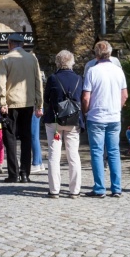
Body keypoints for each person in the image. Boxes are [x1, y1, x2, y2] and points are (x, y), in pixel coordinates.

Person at [82, 40, 128, 198]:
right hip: (114, 116)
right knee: (114, 152)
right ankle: (117, 188)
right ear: (110, 53)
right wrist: (118, 108)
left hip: (96, 116)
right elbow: (125, 95)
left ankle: (99, 188)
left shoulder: (92, 71)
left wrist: (85, 112)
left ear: (96, 54)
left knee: (97, 152)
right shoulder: (118, 71)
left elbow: (86, 97)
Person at [0, 33, 44, 183]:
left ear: (10, 43)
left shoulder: (5, 59)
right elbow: (38, 82)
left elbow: (1, 83)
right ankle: (25, 173)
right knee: (26, 137)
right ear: (22, 44)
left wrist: (2, 102)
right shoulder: (32, 59)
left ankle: (13, 173)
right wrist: (39, 103)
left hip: (11, 104)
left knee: (9, 138)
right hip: (28, 102)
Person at [44, 50, 82, 199]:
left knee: (54, 154)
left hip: (55, 122)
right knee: (73, 155)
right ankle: (75, 190)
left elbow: (47, 98)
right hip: (72, 121)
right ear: (72, 62)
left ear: (57, 63)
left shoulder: (53, 78)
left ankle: (54, 190)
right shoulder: (79, 78)